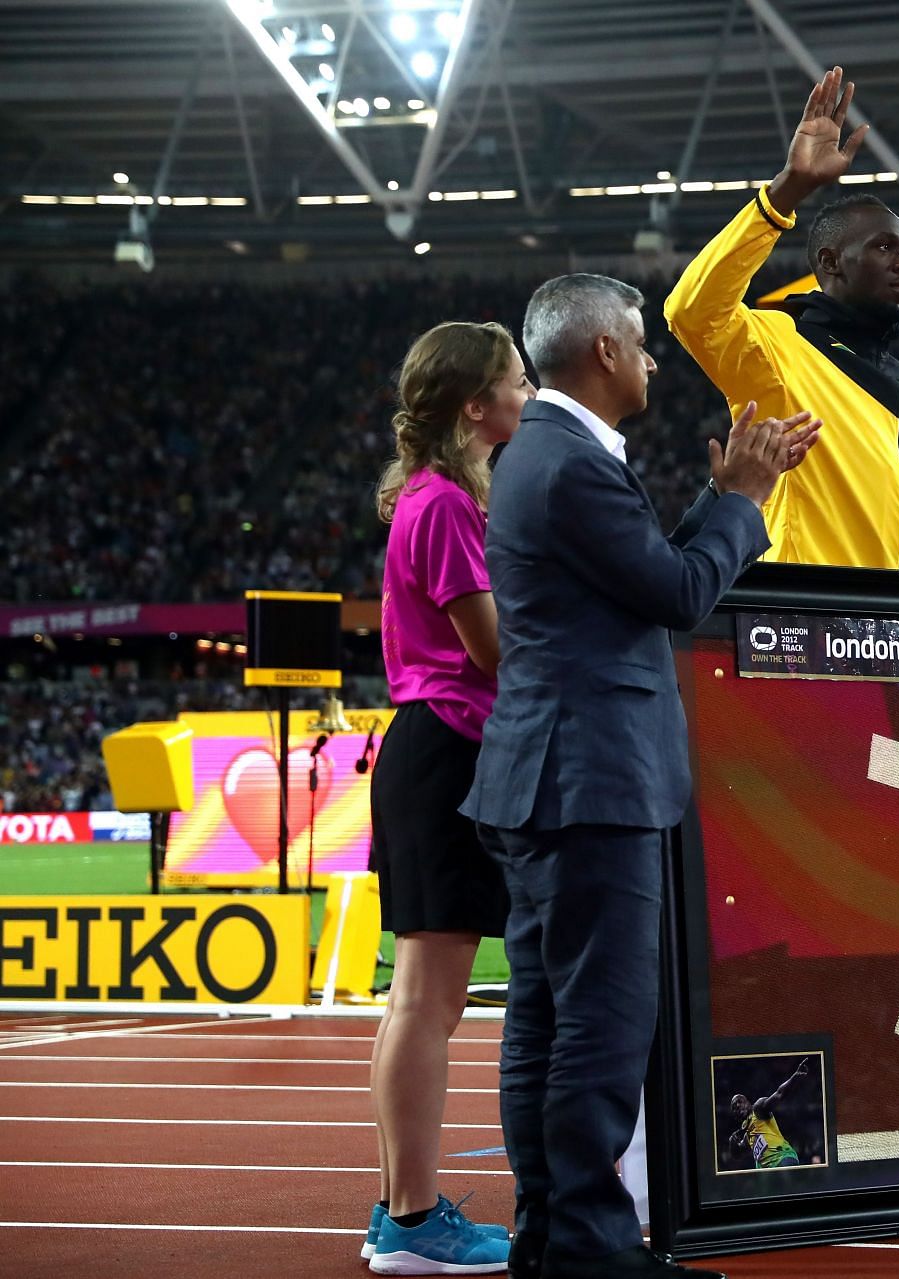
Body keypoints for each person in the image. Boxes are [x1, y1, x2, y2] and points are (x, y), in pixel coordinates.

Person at [461, 272, 817, 1279]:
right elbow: (675, 591)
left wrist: (718, 494)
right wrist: (744, 503)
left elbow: (634, 573)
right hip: (591, 782)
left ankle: (550, 1232)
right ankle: (588, 1243)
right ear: (604, 354)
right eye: (642, 338)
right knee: (602, 1027)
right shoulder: (571, 464)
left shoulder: (546, 455)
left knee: (543, 1022)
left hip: (547, 780)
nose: (655, 356)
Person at [664, 65, 899, 590]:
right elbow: (692, 310)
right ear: (830, 262)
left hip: (896, 651)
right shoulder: (780, 346)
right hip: (803, 639)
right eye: (884, 247)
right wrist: (789, 189)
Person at [365, 320, 530, 1276]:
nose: (527, 393)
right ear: (476, 405)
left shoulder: (442, 498)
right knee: (427, 1000)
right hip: (446, 755)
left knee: (421, 1000)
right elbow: (495, 649)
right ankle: (414, 1222)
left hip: (440, 754)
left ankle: (401, 1212)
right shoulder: (444, 507)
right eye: (515, 380)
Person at [727, 1059, 811, 1170]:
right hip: (768, 1171)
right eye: (734, 1107)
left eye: (740, 1101)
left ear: (748, 1103)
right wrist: (731, 1143)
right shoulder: (748, 1137)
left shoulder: (758, 1109)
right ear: (735, 1116)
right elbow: (737, 1155)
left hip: (782, 1158)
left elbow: (779, 1094)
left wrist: (795, 1077)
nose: (737, 1105)